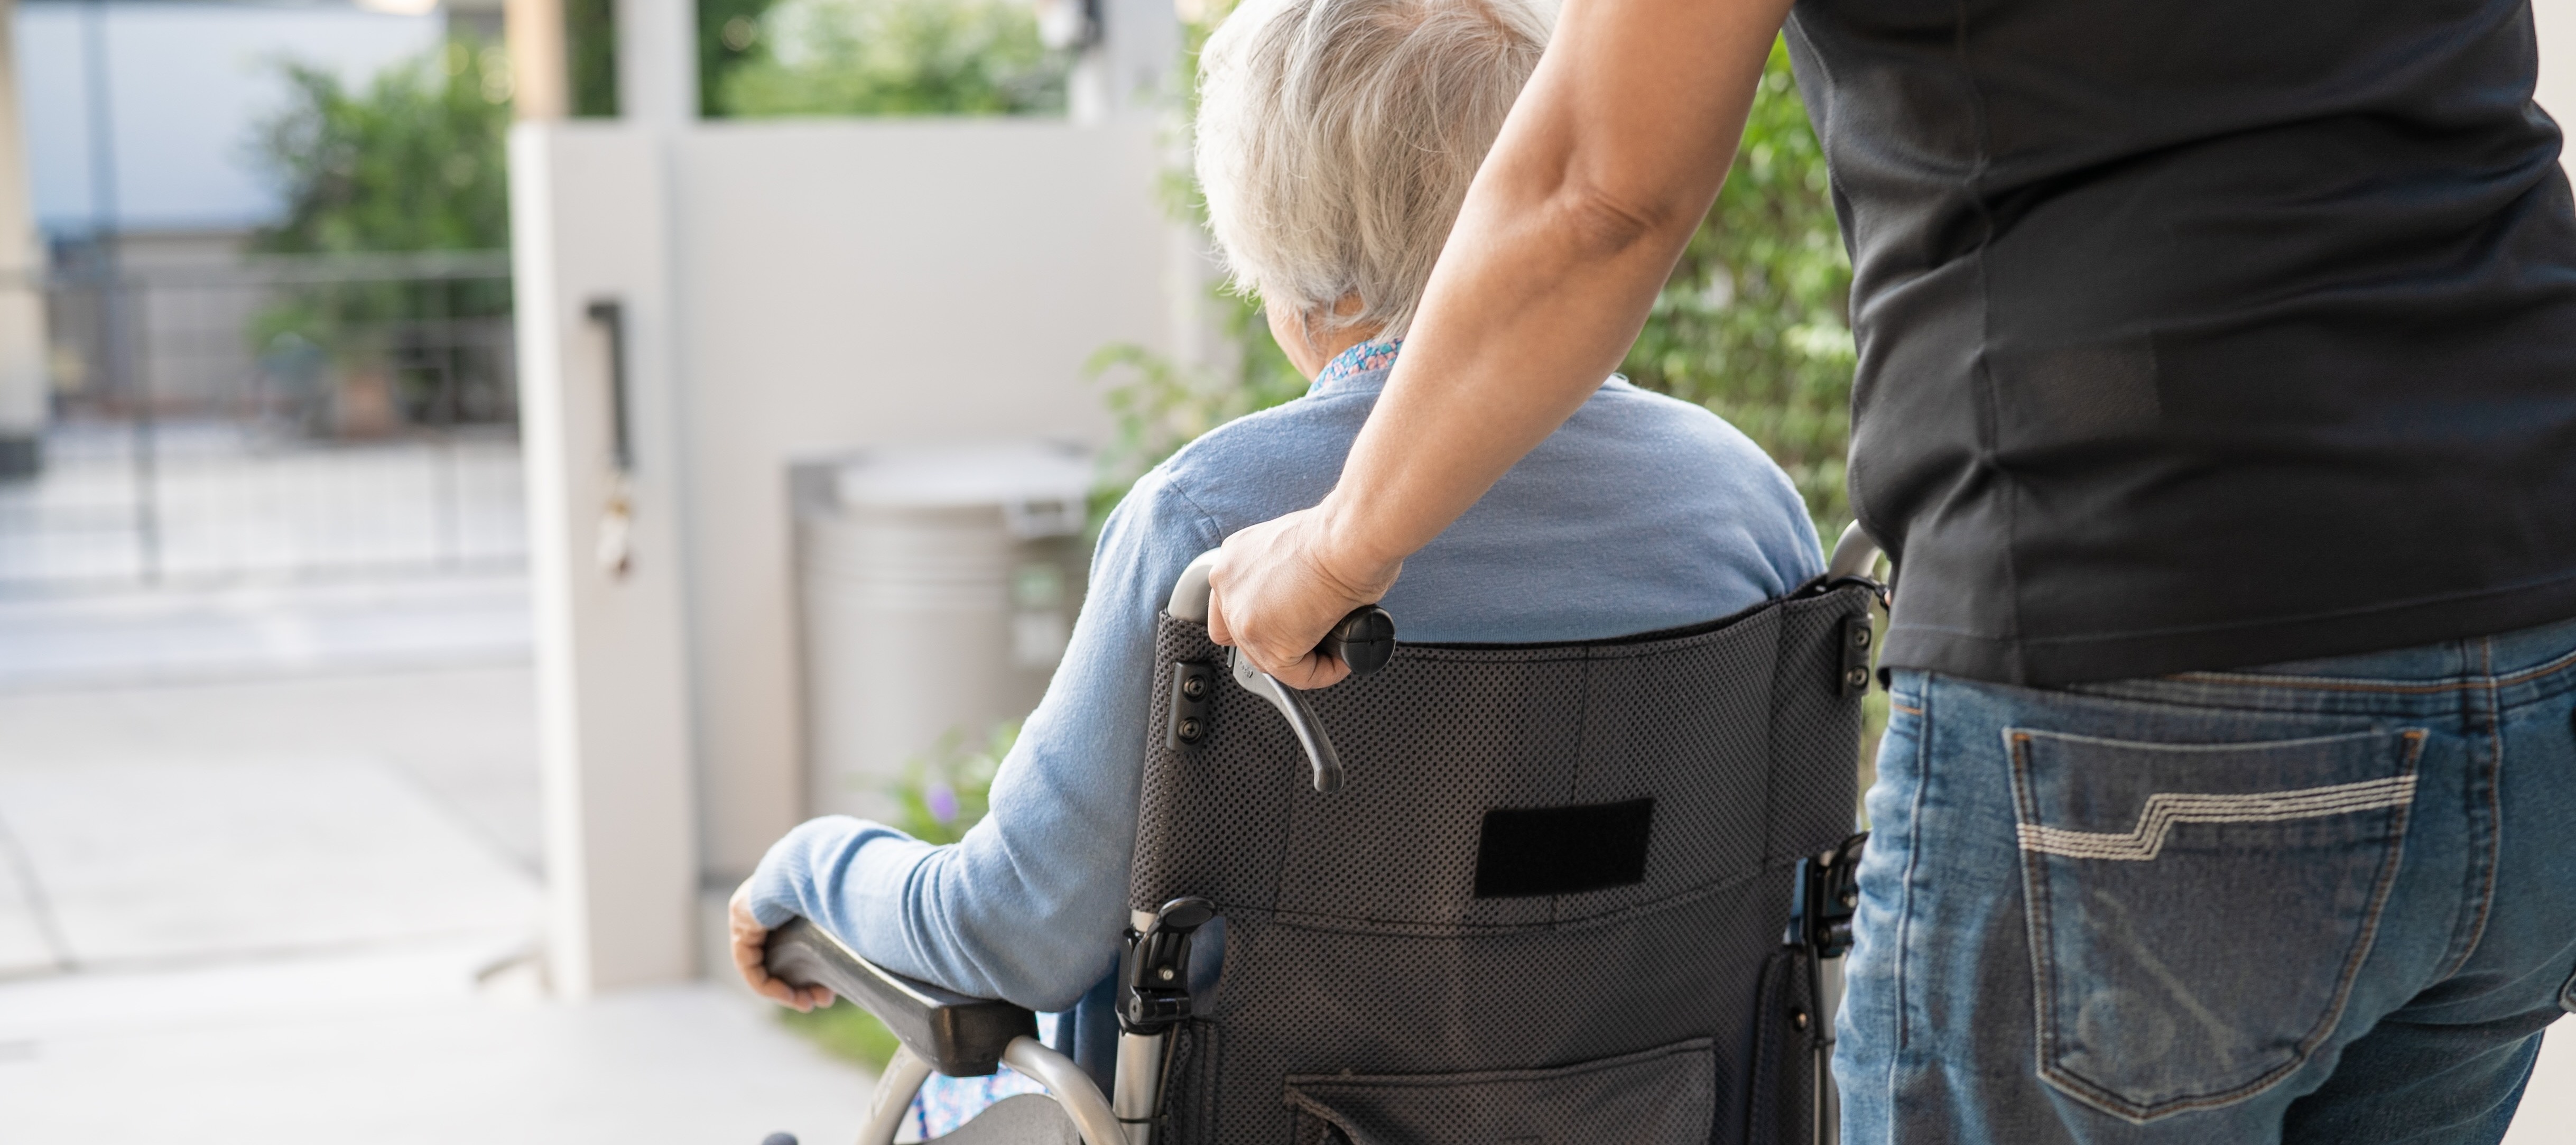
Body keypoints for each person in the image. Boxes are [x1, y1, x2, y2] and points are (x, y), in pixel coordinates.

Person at [1203, 0, 2576, 1139]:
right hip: (2536, 612)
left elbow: (1596, 185)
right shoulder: (1733, 497)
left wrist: (1338, 544)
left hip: (2140, 647)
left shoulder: (1200, 505)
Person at [726, 0, 1825, 1128]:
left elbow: (1018, 933)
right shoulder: (1744, 511)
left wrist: (811, 867)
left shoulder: (1208, 523)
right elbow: (1786, 904)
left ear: (1307, 274)